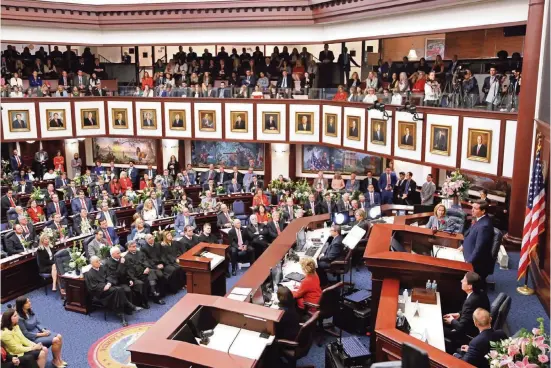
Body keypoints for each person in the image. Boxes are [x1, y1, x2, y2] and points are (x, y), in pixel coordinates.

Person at [85, 256, 140, 326]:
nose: (99, 262)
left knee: (118, 292)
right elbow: (92, 287)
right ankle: (128, 305)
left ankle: (122, 316)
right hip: (101, 292)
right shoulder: (89, 274)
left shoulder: (103, 268)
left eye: (99, 260)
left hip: (109, 287)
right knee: (118, 290)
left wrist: (108, 283)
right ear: (92, 263)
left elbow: (111, 275)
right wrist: (104, 287)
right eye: (97, 261)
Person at [443, 271, 490, 354]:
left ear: (469, 286)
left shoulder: (471, 301)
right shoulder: (481, 293)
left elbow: (461, 328)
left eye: (463, 280)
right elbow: (471, 311)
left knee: (440, 328)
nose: (461, 281)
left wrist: (452, 321)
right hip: (473, 325)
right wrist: (459, 314)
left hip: (469, 334)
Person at [15, 297, 65, 367]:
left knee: (59, 336)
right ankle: (55, 361)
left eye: (29, 301)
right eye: (27, 302)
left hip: (39, 332)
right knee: (56, 340)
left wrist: (43, 329)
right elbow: (26, 334)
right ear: (22, 305)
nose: (30, 303)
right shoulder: (19, 318)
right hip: (32, 337)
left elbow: (37, 323)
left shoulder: (29, 311)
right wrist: (42, 334)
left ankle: (58, 359)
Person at [459, 200, 494, 281]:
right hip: (466, 253)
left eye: (475, 208)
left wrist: (468, 262)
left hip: (474, 262)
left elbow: (479, 248)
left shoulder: (484, 226)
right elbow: (470, 235)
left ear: (483, 211)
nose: (472, 210)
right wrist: (463, 246)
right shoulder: (479, 220)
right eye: (472, 207)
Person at [124, 240, 165, 305]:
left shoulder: (140, 253)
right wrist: (143, 270)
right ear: (128, 248)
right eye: (133, 247)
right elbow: (132, 268)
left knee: (153, 274)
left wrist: (147, 267)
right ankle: (156, 296)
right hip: (138, 274)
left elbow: (146, 261)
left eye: (135, 246)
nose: (135, 248)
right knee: (152, 274)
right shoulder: (127, 257)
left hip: (147, 271)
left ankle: (154, 292)